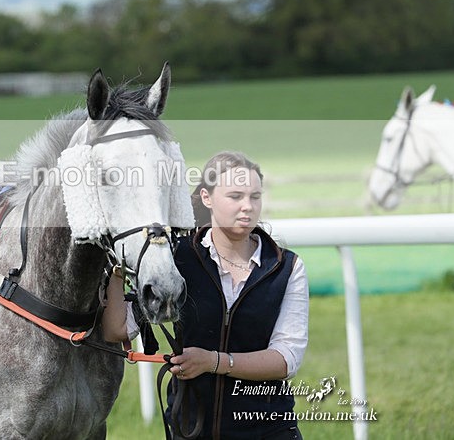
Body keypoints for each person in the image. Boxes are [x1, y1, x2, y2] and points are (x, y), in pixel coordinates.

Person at [102, 151, 309, 439]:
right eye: (235, 196)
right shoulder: (177, 259)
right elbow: (118, 329)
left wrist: (213, 362)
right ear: (207, 198)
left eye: (255, 196)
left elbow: (286, 360)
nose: (247, 207)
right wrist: (117, 266)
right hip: (190, 429)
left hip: (270, 430)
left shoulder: (287, 267)